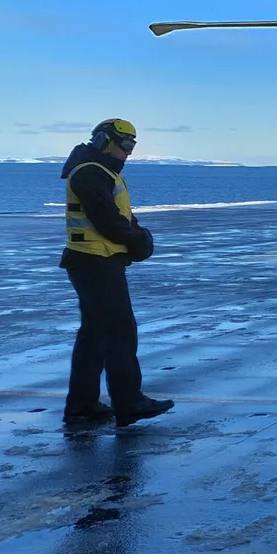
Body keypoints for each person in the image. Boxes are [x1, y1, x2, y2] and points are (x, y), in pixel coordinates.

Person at [59, 118, 174, 428]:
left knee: (94, 334)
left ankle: (82, 404)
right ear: (104, 141)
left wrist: (136, 234)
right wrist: (138, 240)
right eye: (125, 145)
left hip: (95, 261)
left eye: (132, 146)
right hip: (95, 262)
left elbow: (120, 216)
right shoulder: (90, 173)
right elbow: (108, 221)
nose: (129, 153)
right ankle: (128, 402)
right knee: (120, 332)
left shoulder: (100, 172)